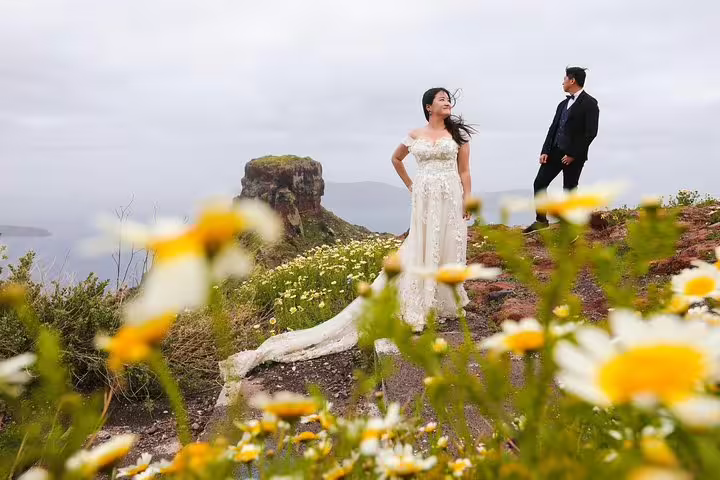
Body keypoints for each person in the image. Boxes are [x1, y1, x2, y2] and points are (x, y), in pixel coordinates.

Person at [220, 88, 476, 380]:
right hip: (425, 196)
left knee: (447, 244)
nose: (447, 102)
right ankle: (418, 306)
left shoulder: (458, 136)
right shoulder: (414, 134)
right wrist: (410, 185)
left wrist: (467, 197)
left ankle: (444, 300)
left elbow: (465, 171)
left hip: (450, 194)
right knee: (421, 246)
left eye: (448, 98)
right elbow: (396, 159)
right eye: (441, 98)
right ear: (429, 106)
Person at [523, 67, 600, 234]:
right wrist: (545, 150)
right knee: (539, 183)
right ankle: (541, 220)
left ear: (572, 80)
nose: (562, 82)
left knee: (569, 188)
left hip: (575, 155)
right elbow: (553, 128)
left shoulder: (590, 103)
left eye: (564, 79)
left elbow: (591, 132)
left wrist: (573, 154)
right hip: (555, 151)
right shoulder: (562, 104)